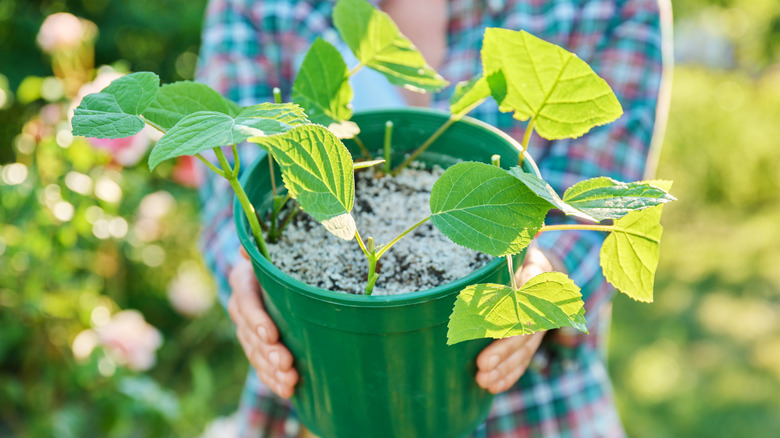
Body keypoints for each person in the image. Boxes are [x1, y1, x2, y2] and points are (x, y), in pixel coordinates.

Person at [196, 0, 671, 436]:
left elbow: (600, 205)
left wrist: (541, 276)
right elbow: (233, 179)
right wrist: (246, 279)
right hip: (310, 385)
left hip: (535, 402)